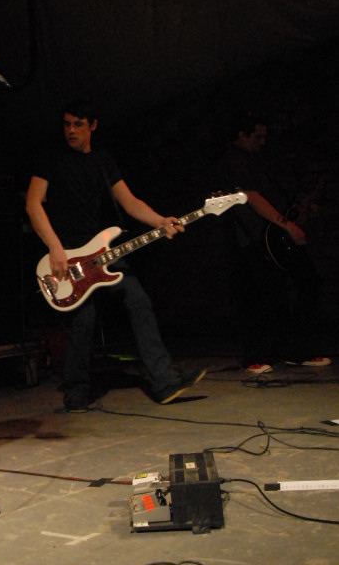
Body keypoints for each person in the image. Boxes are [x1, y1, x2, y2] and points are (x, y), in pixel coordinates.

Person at [26, 101, 206, 410]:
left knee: (138, 301)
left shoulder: (103, 160)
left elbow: (129, 202)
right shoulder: (51, 158)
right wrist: (54, 247)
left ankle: (164, 383)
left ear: (93, 125)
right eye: (67, 124)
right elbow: (33, 203)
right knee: (84, 319)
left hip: (102, 251)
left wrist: (160, 221)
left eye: (78, 124)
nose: (71, 130)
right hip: (65, 253)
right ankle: (76, 389)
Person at [220, 110, 330, 376]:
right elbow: (252, 197)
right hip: (253, 238)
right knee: (260, 297)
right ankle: (256, 356)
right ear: (241, 135)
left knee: (306, 283)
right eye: (257, 137)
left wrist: (299, 215)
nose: (263, 142)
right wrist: (288, 226)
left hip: (272, 235)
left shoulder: (257, 161)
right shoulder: (234, 159)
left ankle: (295, 349)